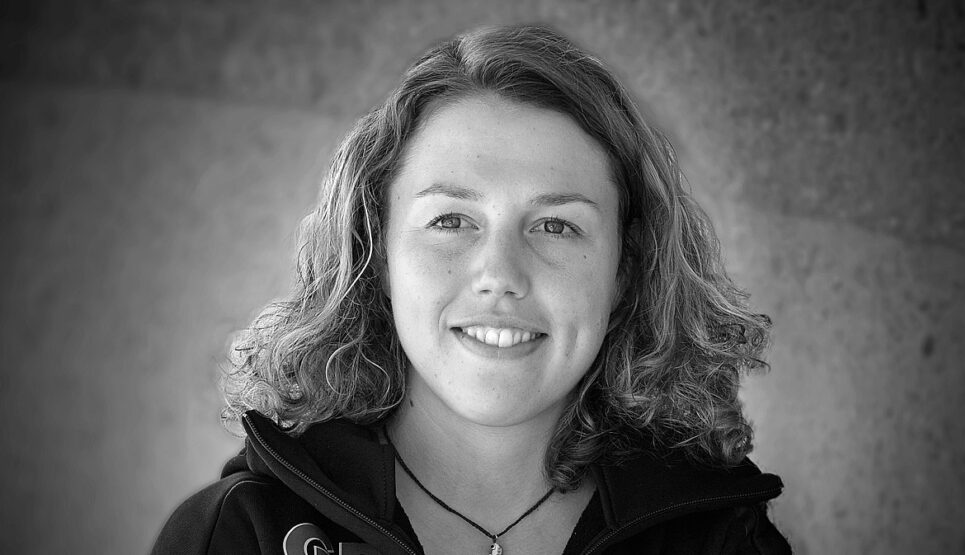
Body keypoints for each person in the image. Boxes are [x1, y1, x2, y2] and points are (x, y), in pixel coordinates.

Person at [153, 23, 790, 555]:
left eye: (556, 225)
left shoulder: (725, 540)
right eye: (451, 221)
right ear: (378, 255)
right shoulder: (238, 534)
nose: (500, 275)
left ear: (626, 271)